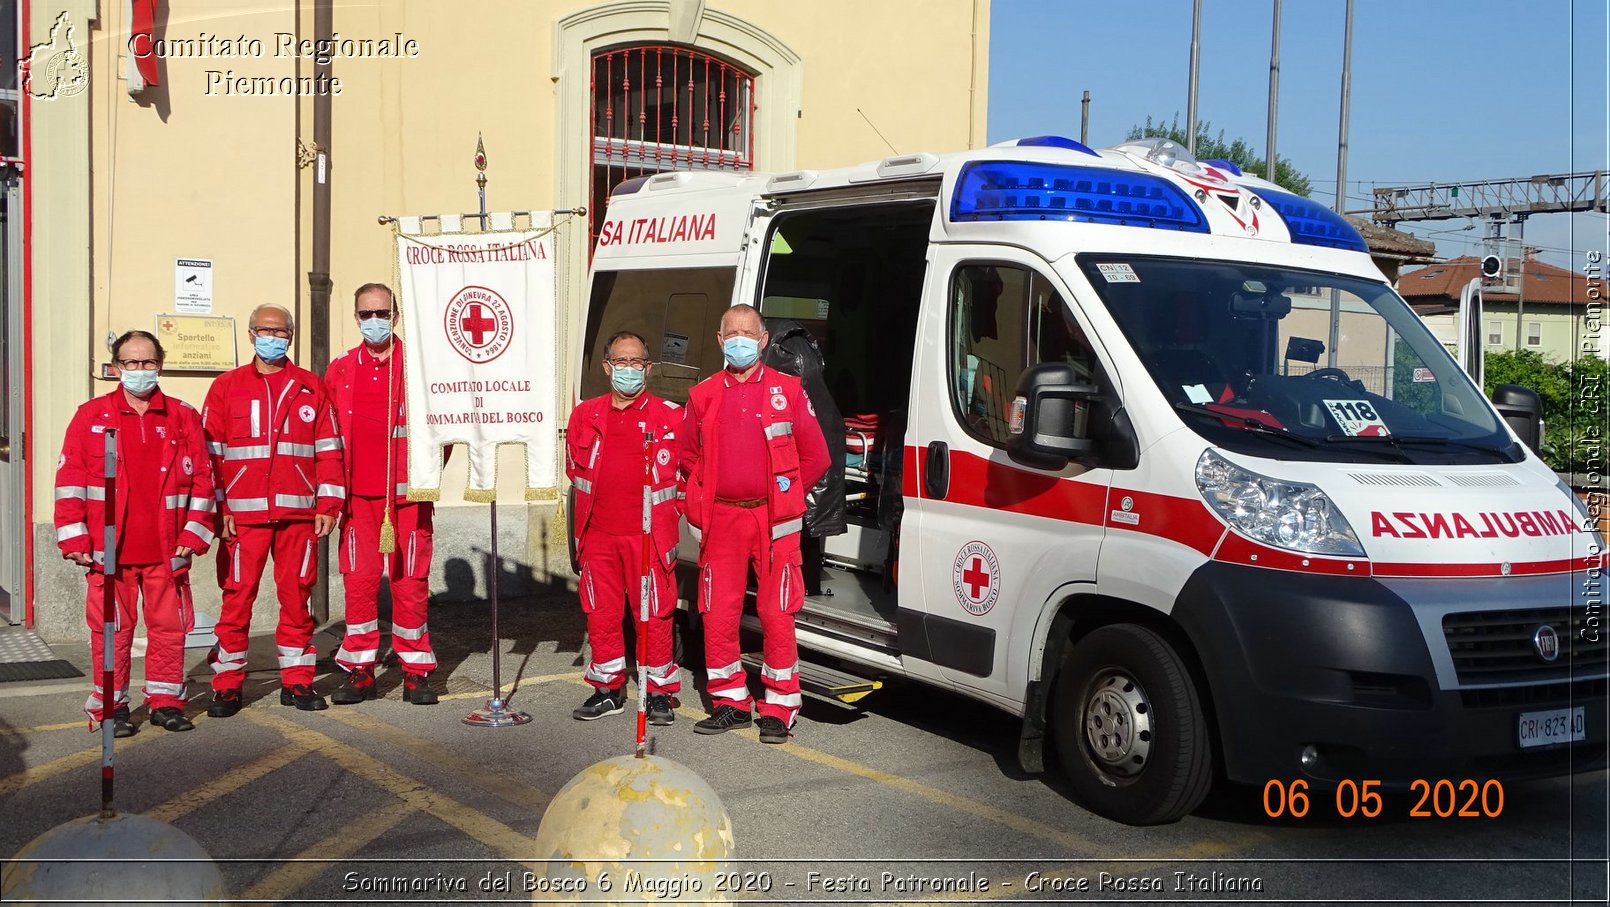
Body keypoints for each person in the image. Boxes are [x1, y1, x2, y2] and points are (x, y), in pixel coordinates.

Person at [679, 304, 829, 744]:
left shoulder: (789, 389)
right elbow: (688, 458)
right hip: (721, 517)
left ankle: (779, 707)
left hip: (772, 519)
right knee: (717, 610)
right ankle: (730, 702)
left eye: (749, 332)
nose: (740, 340)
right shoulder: (702, 394)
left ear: (763, 341)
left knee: (776, 610)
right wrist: (699, 501)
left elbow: (816, 456)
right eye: (732, 333)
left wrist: (785, 494)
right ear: (720, 341)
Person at [54, 331, 216, 735]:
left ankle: (165, 702)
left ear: (159, 365)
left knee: (169, 628)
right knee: (111, 630)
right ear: (116, 367)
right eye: (130, 363)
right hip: (109, 551)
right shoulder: (91, 416)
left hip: (167, 548)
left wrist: (194, 535)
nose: (139, 371)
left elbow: (204, 484)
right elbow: (69, 480)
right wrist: (74, 538)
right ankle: (113, 707)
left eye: (147, 363)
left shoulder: (183, 416)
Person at [201, 303, 344, 715]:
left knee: (296, 599)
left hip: (299, 516)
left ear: (291, 336)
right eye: (266, 330)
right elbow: (210, 454)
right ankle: (227, 684)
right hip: (242, 520)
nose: (273, 338)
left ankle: (297, 682)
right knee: (237, 599)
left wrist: (329, 504)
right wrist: (219, 509)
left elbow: (329, 451)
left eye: (281, 332)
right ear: (250, 335)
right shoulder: (226, 387)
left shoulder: (311, 388)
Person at [323, 283, 438, 706]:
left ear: (396, 316)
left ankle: (416, 671)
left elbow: (439, 430)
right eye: (366, 314)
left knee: (411, 584)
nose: (375, 321)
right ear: (356, 318)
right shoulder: (339, 370)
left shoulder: (421, 367)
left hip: (407, 501)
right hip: (357, 500)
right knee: (359, 583)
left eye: (382, 313)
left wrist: (424, 478)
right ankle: (359, 671)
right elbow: (327, 437)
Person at [565, 331, 683, 723]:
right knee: (601, 612)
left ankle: (659, 693)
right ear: (606, 367)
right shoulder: (586, 414)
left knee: (652, 613)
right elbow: (575, 470)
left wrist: (674, 515)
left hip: (648, 536)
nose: (628, 370)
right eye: (621, 362)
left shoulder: (668, 416)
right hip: (598, 535)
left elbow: (689, 472)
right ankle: (608, 688)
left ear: (648, 368)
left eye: (636, 363)